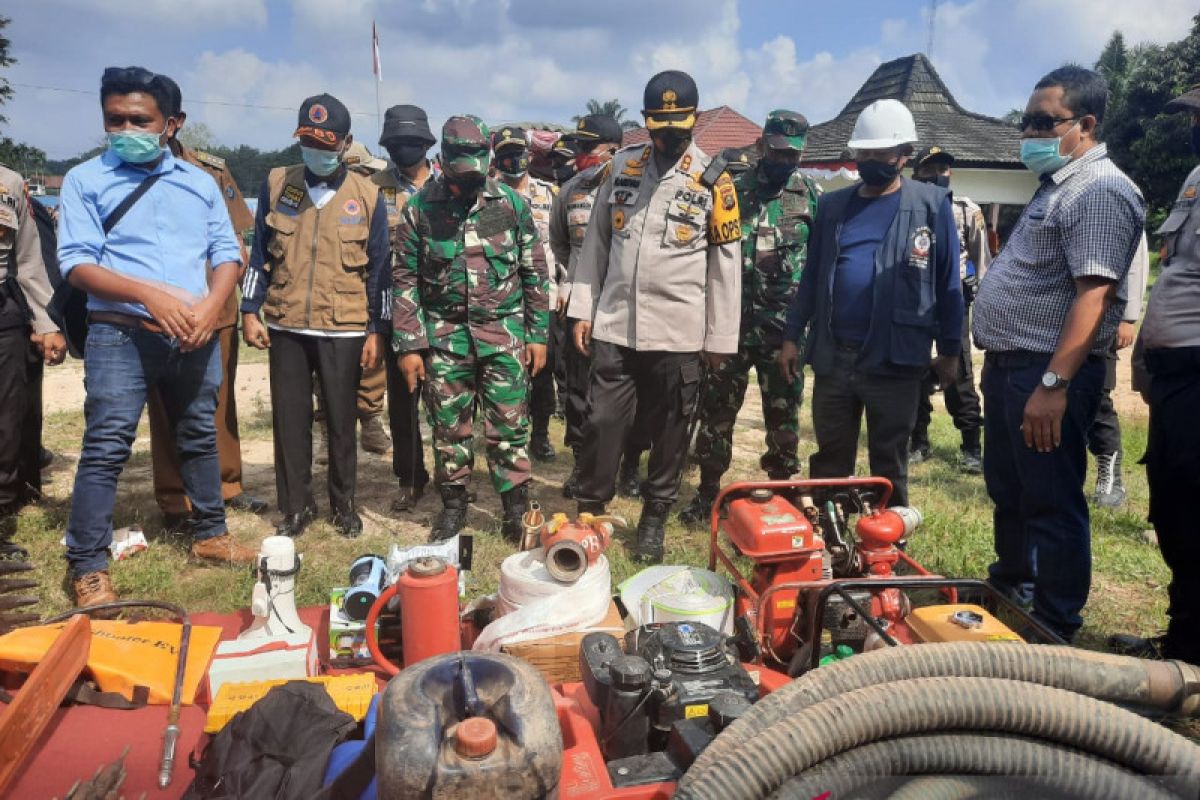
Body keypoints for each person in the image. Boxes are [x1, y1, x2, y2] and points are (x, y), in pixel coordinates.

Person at [58, 66, 256, 606]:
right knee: (106, 446)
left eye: (139, 120)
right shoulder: (84, 181)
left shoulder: (198, 182)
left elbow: (226, 253)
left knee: (197, 435)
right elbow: (76, 263)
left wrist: (211, 308)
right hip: (119, 334)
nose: (126, 128)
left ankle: (211, 534)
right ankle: (88, 566)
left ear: (172, 123)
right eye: (114, 119)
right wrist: (149, 296)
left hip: (193, 333)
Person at [972, 66, 1145, 641]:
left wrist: (1052, 384)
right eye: (1026, 121)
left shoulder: (1100, 189)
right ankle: (1013, 585)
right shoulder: (1059, 187)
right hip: (1009, 367)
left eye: (1044, 122)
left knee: (1049, 500)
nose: (1029, 132)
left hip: (1045, 374)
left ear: (1085, 124)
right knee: (1011, 491)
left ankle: (1052, 622)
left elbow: (1093, 296)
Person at [568, 70, 742, 562]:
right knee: (601, 420)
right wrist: (583, 307)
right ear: (646, 123)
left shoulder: (713, 181)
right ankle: (590, 509)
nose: (667, 135)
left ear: (693, 120)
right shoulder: (622, 168)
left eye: (677, 126)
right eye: (658, 125)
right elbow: (596, 243)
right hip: (617, 322)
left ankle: (654, 517)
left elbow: (725, 266)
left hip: (679, 331)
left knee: (671, 428)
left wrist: (719, 339)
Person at [779, 100, 963, 509]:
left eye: (882, 154)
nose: (871, 161)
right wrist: (792, 336)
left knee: (888, 461)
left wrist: (951, 351)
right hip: (835, 356)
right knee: (830, 459)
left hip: (894, 358)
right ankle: (832, 539)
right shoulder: (833, 207)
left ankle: (888, 547)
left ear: (904, 155)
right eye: (865, 153)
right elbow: (811, 277)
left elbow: (948, 281)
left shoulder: (931, 206)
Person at [392, 115, 549, 542]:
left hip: (504, 335)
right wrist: (409, 345)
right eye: (460, 169)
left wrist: (537, 335)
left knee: (509, 425)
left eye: (477, 166)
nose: (469, 179)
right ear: (442, 159)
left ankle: (514, 507)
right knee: (449, 427)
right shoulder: (420, 210)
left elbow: (534, 272)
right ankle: (454, 505)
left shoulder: (510, 207)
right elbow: (404, 279)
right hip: (445, 339)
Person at [240, 93, 389, 539]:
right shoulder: (276, 184)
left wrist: (375, 331)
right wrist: (250, 310)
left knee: (342, 422)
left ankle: (344, 504)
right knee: (290, 421)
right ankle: (296, 507)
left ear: (344, 144)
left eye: (325, 145)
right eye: (308, 143)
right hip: (286, 324)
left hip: (343, 327)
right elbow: (260, 255)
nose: (316, 153)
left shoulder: (366, 195)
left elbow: (380, 271)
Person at [681, 110, 818, 525]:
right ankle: (708, 495)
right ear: (761, 145)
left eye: (792, 156)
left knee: (784, 416)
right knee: (717, 413)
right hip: (730, 328)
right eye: (776, 152)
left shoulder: (809, 195)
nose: (783, 162)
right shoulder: (731, 190)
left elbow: (818, 265)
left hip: (784, 333)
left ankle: (782, 493)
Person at [145, 76, 266, 532]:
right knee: (164, 405)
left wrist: (248, 302)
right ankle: (175, 499)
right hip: (159, 310)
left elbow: (241, 240)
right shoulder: (124, 175)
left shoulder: (211, 172)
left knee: (217, 402)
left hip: (216, 307)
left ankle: (227, 486)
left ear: (174, 122)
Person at [1110, 84, 1200, 665]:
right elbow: (1174, 276)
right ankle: (1186, 641)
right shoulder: (1195, 176)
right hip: (1175, 372)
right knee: (1174, 507)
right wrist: (1143, 354)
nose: (1192, 124)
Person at [549, 114, 649, 500]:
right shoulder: (570, 190)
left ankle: (629, 467)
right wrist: (570, 282)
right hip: (582, 308)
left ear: (614, 149)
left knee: (631, 394)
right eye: (577, 147)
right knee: (579, 392)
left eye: (587, 148)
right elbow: (560, 243)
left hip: (624, 306)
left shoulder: (637, 187)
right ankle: (582, 464)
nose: (579, 155)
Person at [907, 146, 988, 474]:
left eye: (943, 168)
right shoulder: (907, 208)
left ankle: (971, 446)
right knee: (914, 372)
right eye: (930, 169)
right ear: (916, 174)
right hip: (915, 304)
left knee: (959, 372)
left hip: (954, 302)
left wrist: (981, 305)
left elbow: (982, 262)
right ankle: (918, 441)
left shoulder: (966, 209)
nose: (938, 174)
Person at [375, 104, 438, 512]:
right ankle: (411, 477)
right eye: (396, 144)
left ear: (427, 144)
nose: (403, 150)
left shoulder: (452, 182)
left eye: (411, 143)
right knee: (403, 401)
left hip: (449, 306)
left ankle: (455, 475)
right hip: (398, 307)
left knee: (451, 399)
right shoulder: (371, 187)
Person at [0, 164, 65, 537]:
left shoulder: (9, 185)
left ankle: (4, 509)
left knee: (7, 420)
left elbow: (27, 262)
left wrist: (45, 324)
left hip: (4, 315)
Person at [491, 125, 561, 462]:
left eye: (517, 154)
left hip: (542, 297)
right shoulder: (486, 197)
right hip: (502, 299)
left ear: (529, 155)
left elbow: (561, 247)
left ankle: (541, 435)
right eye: (504, 156)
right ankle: (507, 435)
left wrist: (562, 289)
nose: (512, 162)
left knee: (542, 371)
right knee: (504, 371)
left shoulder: (551, 195)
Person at [334, 139, 392, 457]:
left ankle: (370, 421)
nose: (368, 179)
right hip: (335, 296)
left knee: (372, 359)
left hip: (368, 290)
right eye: (363, 172)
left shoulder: (374, 201)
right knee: (327, 370)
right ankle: (328, 429)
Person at [1087, 234, 1148, 508]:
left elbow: (1136, 260)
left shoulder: (1116, 192)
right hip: (1063, 316)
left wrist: (1128, 317)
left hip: (1105, 318)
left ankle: (1110, 478)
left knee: (1099, 400)